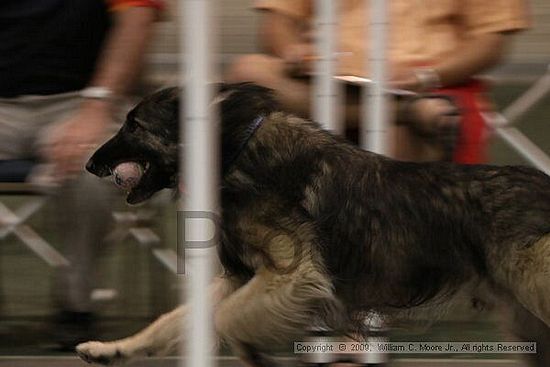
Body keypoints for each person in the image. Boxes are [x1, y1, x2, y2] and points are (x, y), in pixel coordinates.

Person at [0, 0, 162, 349]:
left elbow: (138, 19)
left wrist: (97, 106)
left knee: (91, 168)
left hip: (83, 99)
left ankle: (77, 305)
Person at [227, 0, 530, 163]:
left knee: (392, 134)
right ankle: (403, 109)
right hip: (328, 80)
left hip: (430, 83)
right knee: (247, 74)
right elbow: (277, 24)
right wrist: (292, 50)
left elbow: (491, 42)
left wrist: (425, 76)